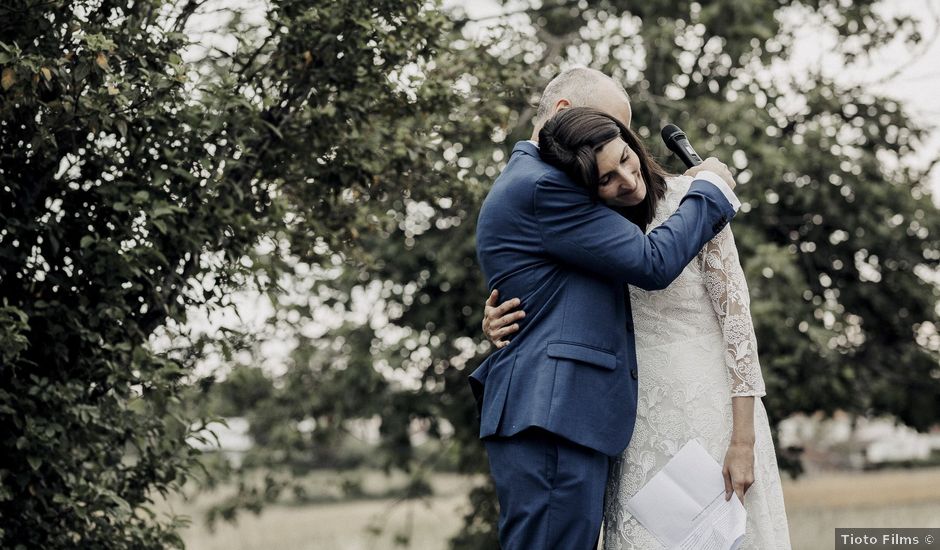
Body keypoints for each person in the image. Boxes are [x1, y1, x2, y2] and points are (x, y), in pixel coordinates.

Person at [482, 107, 792, 548]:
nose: (626, 180)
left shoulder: (698, 197)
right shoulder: (590, 228)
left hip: (708, 409)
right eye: (605, 179)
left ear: (633, 143)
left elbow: (739, 330)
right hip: (631, 420)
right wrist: (494, 319)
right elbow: (555, 296)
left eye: (626, 158)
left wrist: (743, 442)